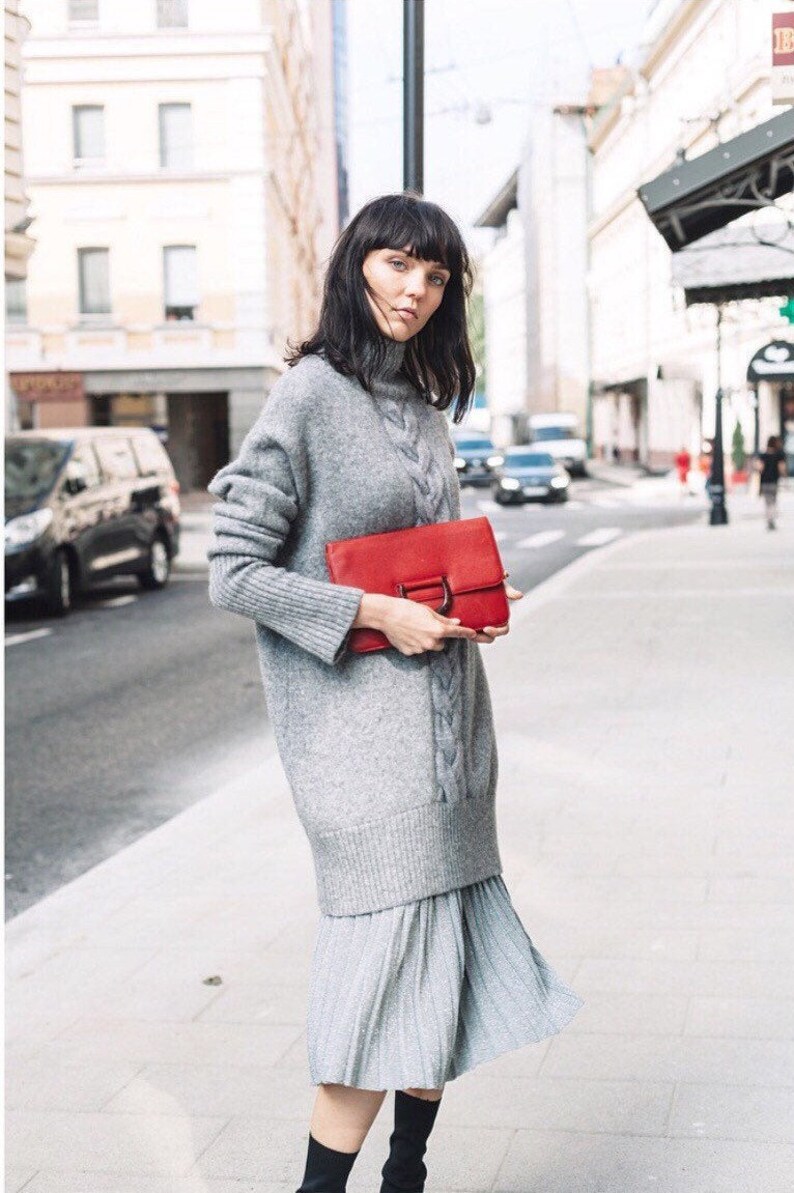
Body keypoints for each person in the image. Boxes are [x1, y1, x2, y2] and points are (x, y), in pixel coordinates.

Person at [206, 192, 584, 1193]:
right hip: (363, 759)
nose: (415, 289)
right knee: (374, 997)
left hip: (452, 742)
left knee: (442, 980)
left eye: (435, 273)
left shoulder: (420, 404)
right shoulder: (309, 396)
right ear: (355, 266)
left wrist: (469, 605)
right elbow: (232, 570)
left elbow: (420, 559)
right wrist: (373, 611)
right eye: (396, 264)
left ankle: (405, 1176)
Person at [755, 433, 787, 529]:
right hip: (773, 481)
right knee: (773, 501)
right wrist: (784, 475)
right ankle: (771, 520)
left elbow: (760, 468)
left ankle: (769, 520)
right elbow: (781, 468)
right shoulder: (779, 455)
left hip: (764, 482)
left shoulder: (763, 455)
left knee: (767, 502)